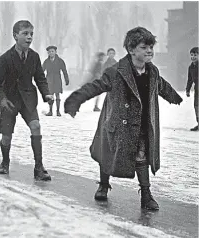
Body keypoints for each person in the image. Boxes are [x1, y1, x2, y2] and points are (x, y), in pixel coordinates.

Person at [64, 27, 183, 210]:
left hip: (142, 123)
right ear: (131, 49)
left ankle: (146, 194)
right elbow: (96, 86)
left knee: (142, 157)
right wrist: (76, 99)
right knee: (108, 154)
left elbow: (161, 86)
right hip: (117, 123)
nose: (149, 50)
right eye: (144, 47)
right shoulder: (116, 71)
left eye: (151, 46)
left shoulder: (153, 71)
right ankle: (104, 185)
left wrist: (174, 97)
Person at [0, 20, 54, 180]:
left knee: (36, 126)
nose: (29, 37)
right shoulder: (5, 58)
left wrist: (46, 93)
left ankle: (39, 168)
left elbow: (40, 78)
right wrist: (2, 101)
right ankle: (5, 162)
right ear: (15, 36)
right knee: (6, 136)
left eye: (31, 34)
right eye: (25, 33)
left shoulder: (34, 56)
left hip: (28, 100)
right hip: (9, 102)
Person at [43, 45, 69, 116]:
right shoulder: (46, 61)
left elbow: (64, 71)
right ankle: (50, 111)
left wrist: (67, 80)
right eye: (49, 52)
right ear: (48, 53)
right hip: (49, 79)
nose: (51, 53)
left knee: (57, 94)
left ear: (55, 52)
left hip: (57, 79)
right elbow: (42, 71)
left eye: (52, 51)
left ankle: (58, 111)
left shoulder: (60, 61)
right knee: (50, 95)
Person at [186, 47, 198, 131]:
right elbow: (190, 79)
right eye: (192, 55)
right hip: (197, 90)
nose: (193, 57)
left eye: (195, 55)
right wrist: (187, 89)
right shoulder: (191, 67)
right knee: (197, 106)